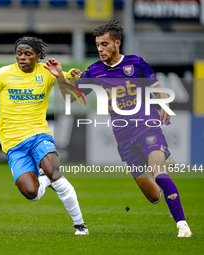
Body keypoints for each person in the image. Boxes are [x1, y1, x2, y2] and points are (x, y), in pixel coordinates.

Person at [47, 20, 192, 237]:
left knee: (159, 172)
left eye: (105, 44)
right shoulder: (94, 71)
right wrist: (60, 77)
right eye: (97, 44)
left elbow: (158, 90)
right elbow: (70, 97)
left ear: (117, 43)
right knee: (153, 196)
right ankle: (161, 164)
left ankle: (182, 225)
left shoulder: (137, 63)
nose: (100, 49)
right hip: (124, 137)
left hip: (147, 126)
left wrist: (165, 105)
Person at [0, 36, 88, 235]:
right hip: (13, 143)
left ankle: (80, 225)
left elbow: (72, 93)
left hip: (39, 135)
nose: (22, 57)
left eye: (28, 54)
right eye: (19, 53)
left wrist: (64, 74)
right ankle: (43, 178)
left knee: (56, 173)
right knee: (31, 193)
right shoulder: (3, 74)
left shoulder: (46, 72)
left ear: (38, 56)